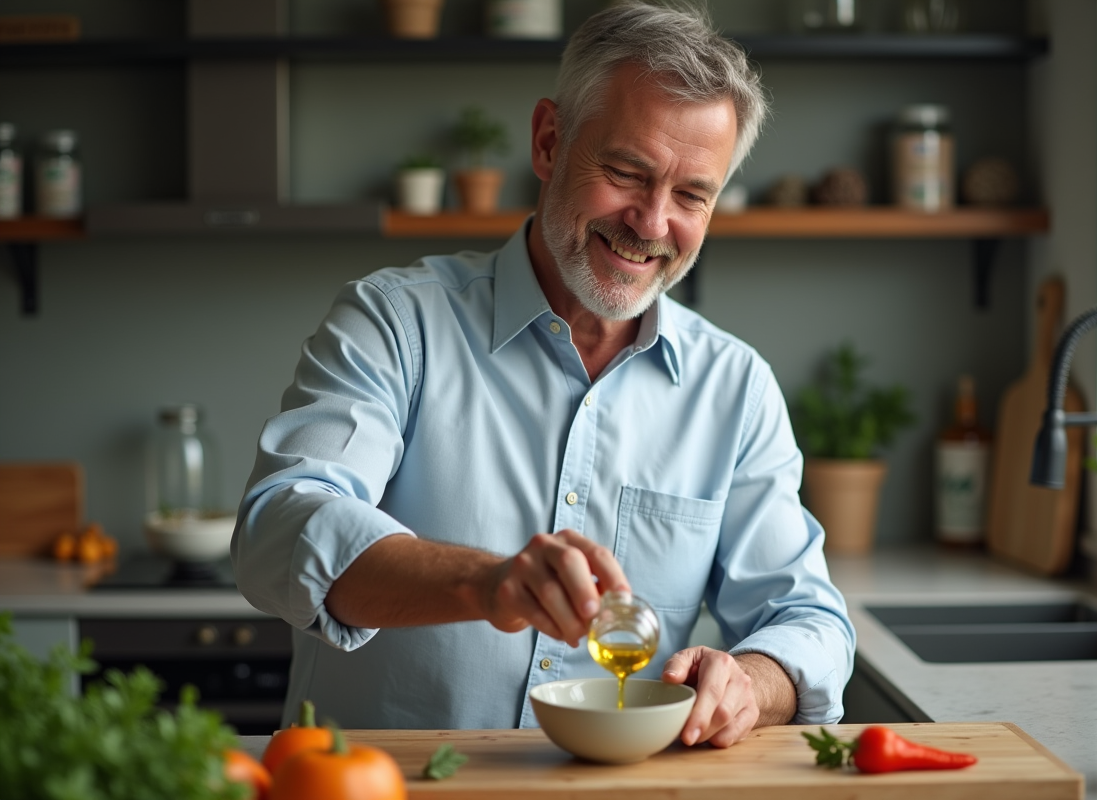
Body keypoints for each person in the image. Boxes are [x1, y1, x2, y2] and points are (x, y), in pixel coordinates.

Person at [232, 0, 855, 749]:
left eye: (692, 195)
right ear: (549, 142)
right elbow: (281, 527)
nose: (653, 223)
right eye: (626, 172)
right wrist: (486, 584)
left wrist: (747, 683)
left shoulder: (735, 387)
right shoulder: (394, 323)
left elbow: (810, 622)